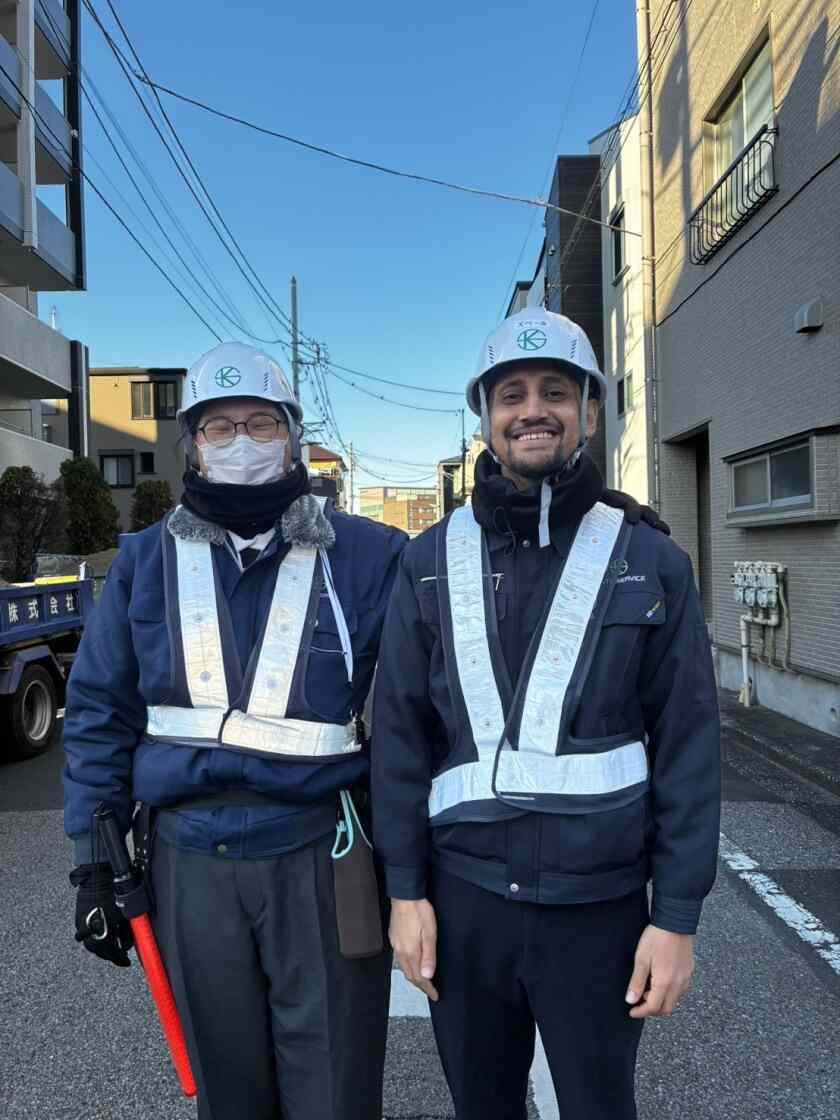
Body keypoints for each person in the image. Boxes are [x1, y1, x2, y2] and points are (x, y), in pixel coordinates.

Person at [372, 307, 721, 1120]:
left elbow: (689, 747)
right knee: (481, 1107)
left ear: (590, 412)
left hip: (599, 913)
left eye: (556, 392)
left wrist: (676, 918)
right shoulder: (427, 561)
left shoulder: (650, 560)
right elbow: (398, 738)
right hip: (463, 904)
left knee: (599, 1106)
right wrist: (405, 894)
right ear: (486, 420)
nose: (534, 410)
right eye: (513, 394)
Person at [64, 342, 405, 1120]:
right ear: (193, 446)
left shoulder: (370, 555)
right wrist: (92, 865)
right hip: (188, 862)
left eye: (260, 424)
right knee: (228, 1091)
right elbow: (98, 713)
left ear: (293, 436)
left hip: (323, 856)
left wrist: (584, 521)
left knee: (335, 1087)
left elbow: (422, 699)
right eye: (220, 428)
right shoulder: (144, 561)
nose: (241, 443)